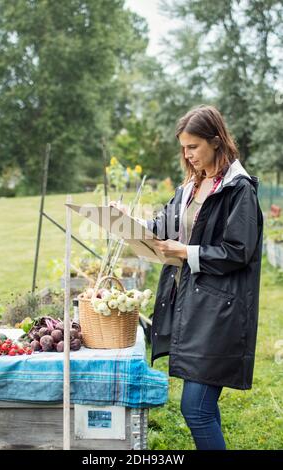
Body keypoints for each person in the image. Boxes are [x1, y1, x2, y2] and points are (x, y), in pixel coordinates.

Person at [110, 104, 264, 450]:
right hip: (192, 304)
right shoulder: (191, 187)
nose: (187, 154)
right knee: (204, 408)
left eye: (193, 146)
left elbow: (238, 251)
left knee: (195, 408)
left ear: (216, 140)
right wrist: (126, 220)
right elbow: (162, 228)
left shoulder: (238, 189)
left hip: (219, 311)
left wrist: (184, 252)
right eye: (183, 147)